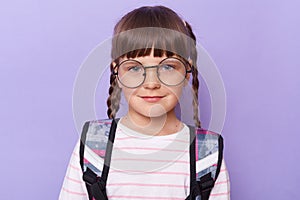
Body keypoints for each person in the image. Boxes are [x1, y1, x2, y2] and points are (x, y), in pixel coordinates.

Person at [59, 5, 230, 200]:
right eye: (134, 68)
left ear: (186, 73)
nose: (151, 83)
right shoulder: (92, 145)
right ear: (117, 72)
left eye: (167, 67)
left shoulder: (207, 155)